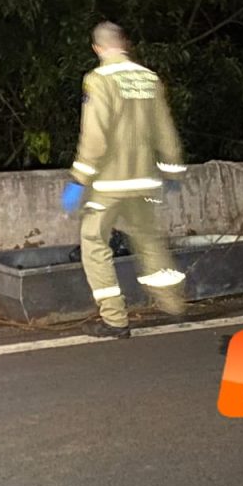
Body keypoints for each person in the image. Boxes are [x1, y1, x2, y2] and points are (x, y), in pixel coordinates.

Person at [62, 21, 188, 338]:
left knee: (94, 243)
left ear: (97, 48)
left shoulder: (99, 79)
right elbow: (165, 129)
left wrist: (79, 178)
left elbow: (94, 137)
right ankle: (172, 302)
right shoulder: (149, 78)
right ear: (125, 43)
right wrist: (172, 169)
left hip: (108, 184)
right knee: (148, 240)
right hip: (144, 180)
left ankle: (114, 319)